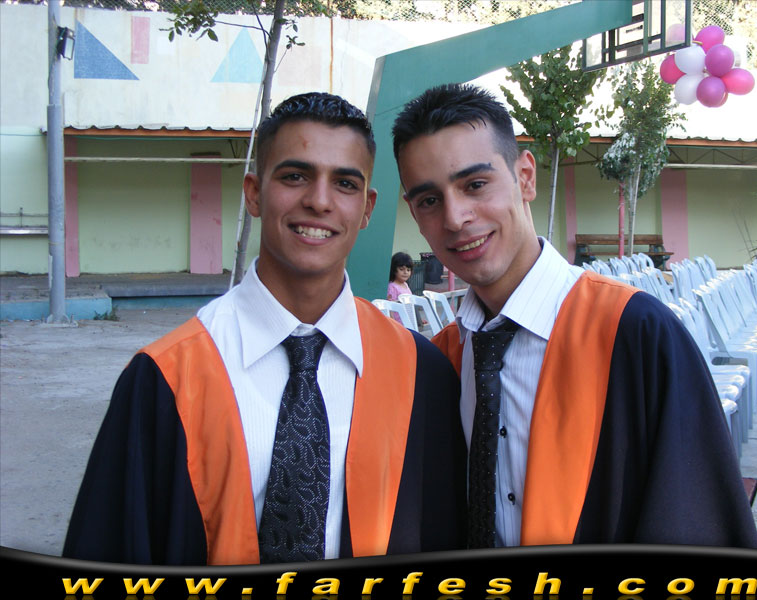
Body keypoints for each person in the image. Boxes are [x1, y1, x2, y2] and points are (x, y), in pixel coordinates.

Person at [63, 92, 466, 566]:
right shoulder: (166, 378)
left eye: (344, 183)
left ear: (367, 208)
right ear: (253, 192)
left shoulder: (419, 373)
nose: (319, 201)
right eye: (295, 176)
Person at [392, 82, 757, 549]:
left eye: (475, 185)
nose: (455, 217)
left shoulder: (634, 333)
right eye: (429, 200)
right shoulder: (442, 360)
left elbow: (693, 517)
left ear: (526, 177)